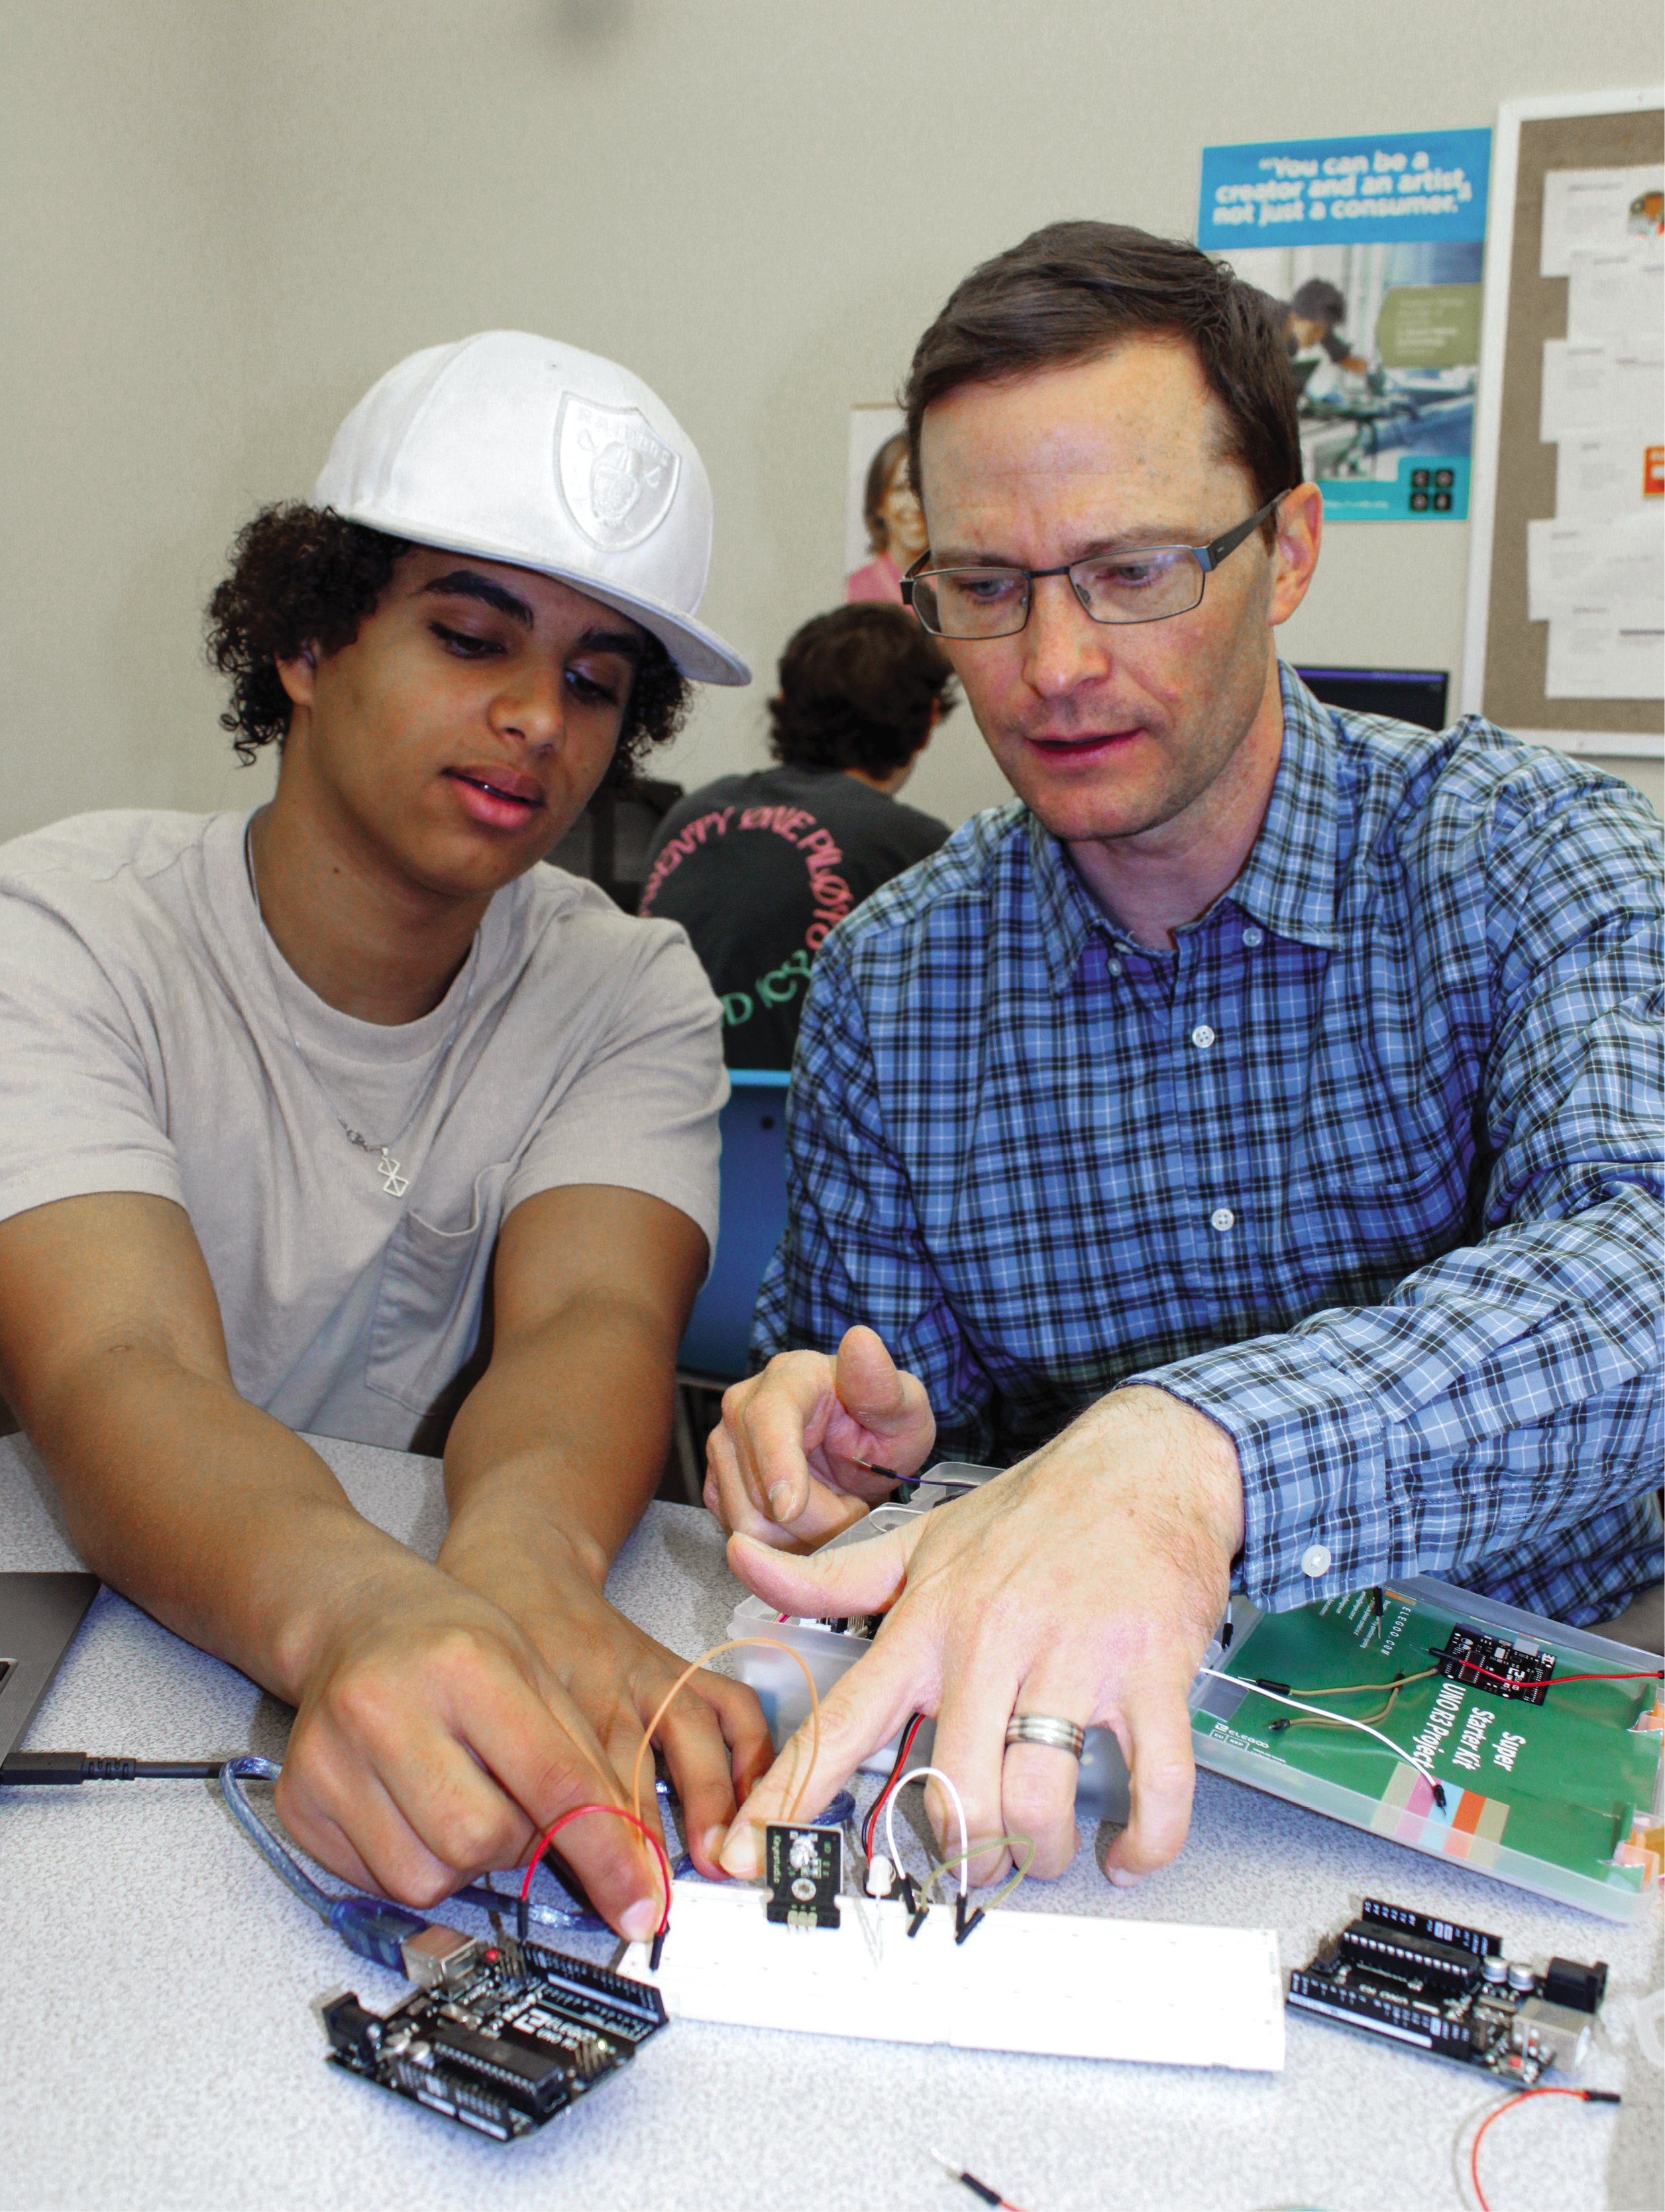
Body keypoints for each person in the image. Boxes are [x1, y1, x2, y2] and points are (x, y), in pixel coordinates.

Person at [704, 223, 1664, 1899]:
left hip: (1565, 1692)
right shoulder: (892, 985)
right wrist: (841, 1440)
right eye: (985, 590)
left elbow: (1643, 1266)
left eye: (1135, 568)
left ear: (1287, 548)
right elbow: (885, 1414)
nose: (1057, 666)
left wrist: (1193, 1452)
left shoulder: (1530, 851)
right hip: (1115, 1753)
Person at [0, 330, 773, 1938]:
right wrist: (369, 1604)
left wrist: (534, 1572)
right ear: (303, 638)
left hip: (429, 1645)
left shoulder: (626, 985)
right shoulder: (62, 925)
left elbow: (591, 1319)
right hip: (117, 1643)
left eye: (591, 679)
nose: (531, 719)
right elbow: (112, 1363)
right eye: (470, 635)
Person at [638, 602, 953, 1066]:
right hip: (802, 1128)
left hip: (660, 1103)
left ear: (784, 702)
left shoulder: (690, 812)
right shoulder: (920, 849)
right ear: (929, 719)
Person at [845, 429, 929, 604]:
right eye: (900, 489)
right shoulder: (857, 588)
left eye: (923, 488)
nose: (915, 505)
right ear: (878, 505)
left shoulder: (957, 584)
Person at [1280, 277, 1369, 379]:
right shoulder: (1267, 328)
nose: (1320, 337)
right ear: (1294, 317)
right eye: (1316, 330)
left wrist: (1371, 369)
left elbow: (1344, 358)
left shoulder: (1310, 324)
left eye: (1324, 331)